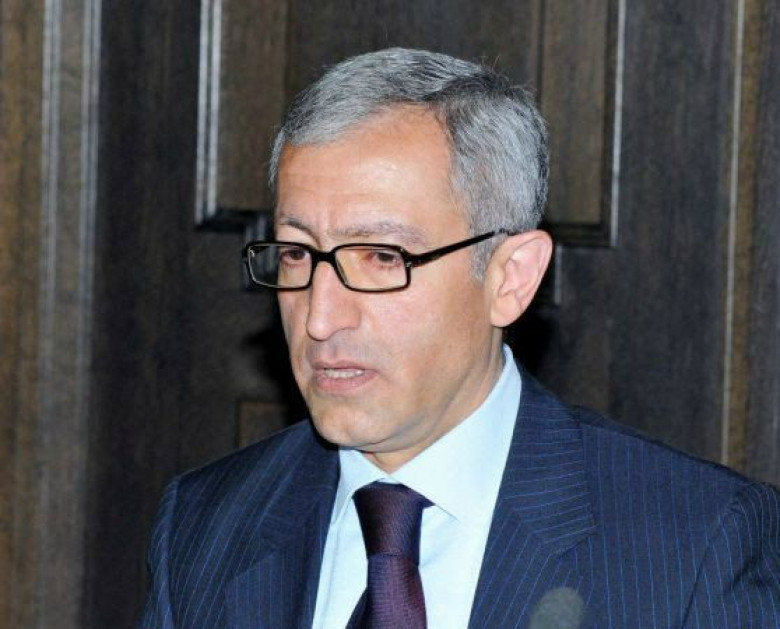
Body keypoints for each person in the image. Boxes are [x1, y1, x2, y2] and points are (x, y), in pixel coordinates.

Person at [140, 48, 780, 629]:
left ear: (511, 277)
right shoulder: (204, 524)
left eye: (382, 257)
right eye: (296, 254)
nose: (319, 319)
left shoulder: (697, 544)